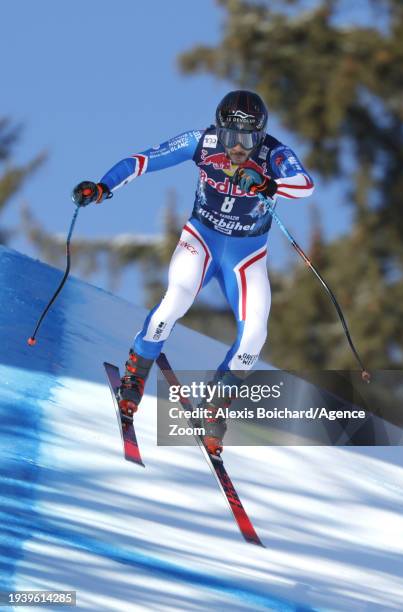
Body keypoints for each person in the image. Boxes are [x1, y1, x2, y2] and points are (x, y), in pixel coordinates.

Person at [72, 90, 314, 455]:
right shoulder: (201, 142)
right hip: (202, 240)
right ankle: (135, 376)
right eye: (232, 137)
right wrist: (103, 186)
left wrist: (268, 183)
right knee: (176, 300)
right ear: (220, 130)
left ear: (260, 136)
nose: (238, 148)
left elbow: (305, 185)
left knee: (254, 338)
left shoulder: (274, 153)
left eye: (248, 139)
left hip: (247, 255)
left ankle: (215, 406)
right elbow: (143, 160)